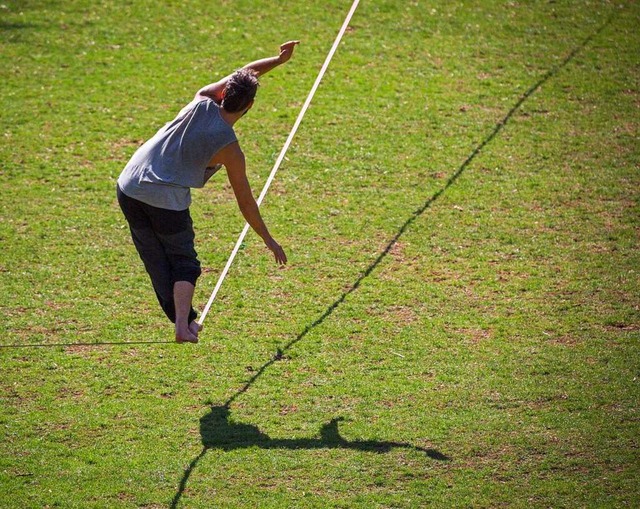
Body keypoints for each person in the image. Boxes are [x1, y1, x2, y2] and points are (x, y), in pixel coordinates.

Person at [117, 41, 299, 344]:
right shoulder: (229, 148)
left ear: (224, 92)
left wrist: (278, 60)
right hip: (164, 199)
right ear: (250, 106)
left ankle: (185, 322)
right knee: (184, 264)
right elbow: (245, 202)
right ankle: (181, 328)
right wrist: (268, 239)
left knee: (155, 259)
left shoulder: (202, 98)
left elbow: (245, 73)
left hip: (128, 185)